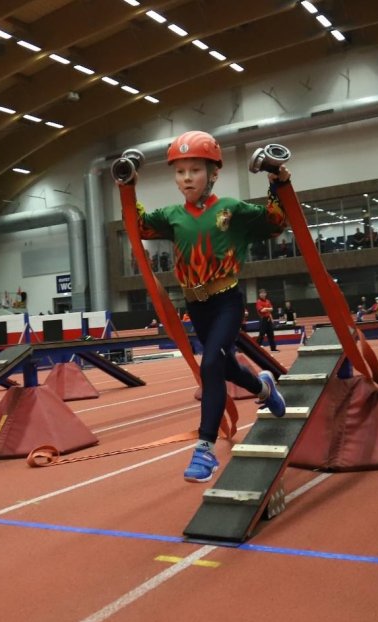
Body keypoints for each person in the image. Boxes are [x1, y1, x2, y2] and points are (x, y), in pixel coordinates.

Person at [128, 130, 286, 483]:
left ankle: (205, 449)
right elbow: (137, 225)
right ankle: (264, 388)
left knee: (211, 362)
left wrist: (277, 179)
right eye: (180, 171)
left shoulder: (231, 210)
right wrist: (130, 185)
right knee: (224, 366)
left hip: (227, 300)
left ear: (213, 173)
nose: (187, 178)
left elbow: (276, 224)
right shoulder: (171, 215)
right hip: (195, 306)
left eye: (195, 170)